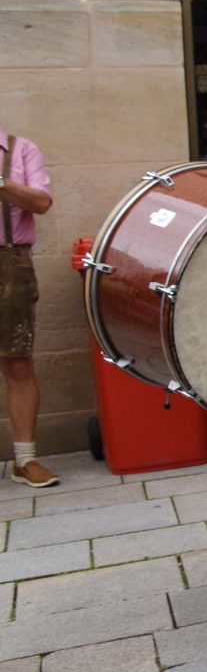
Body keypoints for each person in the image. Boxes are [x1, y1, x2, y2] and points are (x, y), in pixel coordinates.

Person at [0, 132, 56, 489]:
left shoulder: (21, 149)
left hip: (10, 263)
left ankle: (25, 460)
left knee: (19, 362)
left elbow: (42, 202)